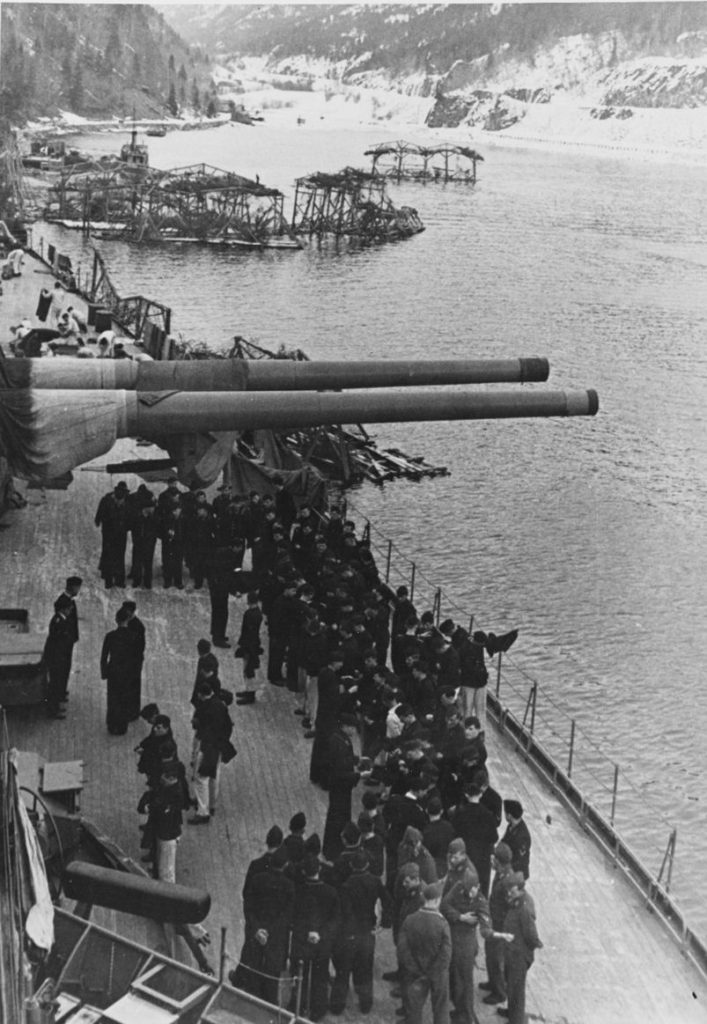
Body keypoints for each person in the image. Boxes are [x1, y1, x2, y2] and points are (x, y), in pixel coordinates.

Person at [329, 848, 392, 1015]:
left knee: (343, 971)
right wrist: (384, 923)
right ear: (368, 865)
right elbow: (387, 901)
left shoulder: (346, 886)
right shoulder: (375, 881)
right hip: (367, 933)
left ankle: (337, 1006)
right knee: (365, 971)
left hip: (349, 934)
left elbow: (344, 912)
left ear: (351, 865)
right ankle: (366, 1004)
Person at [234, 844, 295, 1004]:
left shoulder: (257, 880)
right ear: (285, 865)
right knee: (272, 977)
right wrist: (271, 932)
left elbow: (249, 907)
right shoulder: (289, 887)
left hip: (256, 933)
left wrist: (257, 930)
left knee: (253, 969)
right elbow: (287, 916)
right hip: (276, 939)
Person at [440, 863, 493, 1024]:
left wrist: (487, 929)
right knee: (456, 978)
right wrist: (461, 917)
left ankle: (467, 1016)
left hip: (466, 947)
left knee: (465, 981)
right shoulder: (458, 888)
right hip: (453, 942)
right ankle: (459, 1009)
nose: (470, 894)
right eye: (468, 890)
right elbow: (444, 906)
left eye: (473, 890)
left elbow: (486, 919)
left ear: (478, 887)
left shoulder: (481, 901)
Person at [290, 854, 340, 1022]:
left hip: (301, 942)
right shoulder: (331, 892)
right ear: (319, 869)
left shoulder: (298, 891)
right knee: (320, 977)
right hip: (322, 943)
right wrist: (321, 934)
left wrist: (306, 933)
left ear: (304, 871)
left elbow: (294, 918)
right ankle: (318, 1009)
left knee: (299, 975)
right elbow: (334, 919)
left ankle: (298, 1005)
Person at [397, 880, 452, 1024]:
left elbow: (402, 949)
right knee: (440, 1008)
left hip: (415, 973)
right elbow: (446, 954)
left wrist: (415, 969)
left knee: (414, 1007)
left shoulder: (410, 920)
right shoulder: (442, 924)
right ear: (436, 900)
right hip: (438, 974)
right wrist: (433, 972)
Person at [500, 872, 543, 1024]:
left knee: (517, 989)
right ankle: (512, 1012)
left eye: (511, 891)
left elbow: (531, 935)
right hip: (512, 952)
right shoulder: (519, 900)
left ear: (520, 889)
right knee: (511, 985)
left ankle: (516, 1020)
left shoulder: (524, 908)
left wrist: (532, 947)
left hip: (519, 955)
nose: (509, 894)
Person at [189, 680, 234, 823]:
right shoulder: (220, 705)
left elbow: (200, 727)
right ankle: (212, 804)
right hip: (218, 745)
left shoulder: (205, 707)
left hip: (208, 747)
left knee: (200, 778)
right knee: (214, 775)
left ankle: (203, 811)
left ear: (201, 695)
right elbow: (228, 726)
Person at [322, 713, 363, 861]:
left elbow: (344, 760)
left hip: (341, 787)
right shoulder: (338, 742)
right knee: (337, 817)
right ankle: (333, 850)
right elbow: (339, 771)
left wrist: (356, 760)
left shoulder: (340, 739)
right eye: (352, 728)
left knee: (338, 815)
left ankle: (334, 847)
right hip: (340, 787)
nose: (354, 732)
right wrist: (358, 776)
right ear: (345, 727)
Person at [480, 842, 514, 1007]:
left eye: (494, 858)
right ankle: (492, 982)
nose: (491, 860)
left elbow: (511, 907)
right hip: (494, 922)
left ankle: (499, 992)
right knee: (490, 955)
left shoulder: (507, 881)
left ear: (499, 861)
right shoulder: (501, 874)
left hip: (499, 926)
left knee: (495, 958)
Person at [100, 606, 134, 735]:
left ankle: (111, 724)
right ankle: (121, 726)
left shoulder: (110, 636)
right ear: (127, 620)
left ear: (116, 620)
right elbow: (134, 658)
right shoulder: (132, 636)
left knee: (113, 698)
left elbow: (104, 656)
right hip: (126, 672)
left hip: (113, 670)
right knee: (124, 698)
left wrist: (104, 673)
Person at [95, 482, 129, 588]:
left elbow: (130, 515)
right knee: (108, 555)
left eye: (123, 492)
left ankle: (119, 580)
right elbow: (100, 512)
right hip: (108, 532)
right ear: (116, 491)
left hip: (121, 533)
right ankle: (108, 580)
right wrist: (98, 520)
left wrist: (127, 526)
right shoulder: (106, 500)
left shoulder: (127, 501)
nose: (122, 494)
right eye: (120, 491)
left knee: (120, 556)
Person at [43, 601, 74, 719]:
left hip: (58, 657)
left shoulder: (59, 620)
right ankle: (53, 711)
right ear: (63, 609)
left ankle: (55, 707)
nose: (70, 611)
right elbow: (58, 642)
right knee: (55, 685)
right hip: (57, 658)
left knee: (56, 683)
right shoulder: (59, 622)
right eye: (69, 609)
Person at [53, 576, 81, 694]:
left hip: (67, 641)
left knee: (65, 667)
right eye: (78, 587)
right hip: (64, 643)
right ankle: (59, 691)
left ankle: (61, 690)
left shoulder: (68, 600)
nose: (78, 590)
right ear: (73, 587)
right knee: (62, 668)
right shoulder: (64, 602)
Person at [235, 591, 263, 705]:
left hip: (249, 645)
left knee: (248, 670)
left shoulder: (249, 614)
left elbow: (246, 631)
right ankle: (248, 691)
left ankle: (250, 694)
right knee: (248, 669)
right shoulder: (258, 614)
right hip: (253, 644)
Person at [122, 600, 146, 722]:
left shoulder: (137, 626)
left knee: (133, 686)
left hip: (134, 662)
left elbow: (139, 647)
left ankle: (133, 712)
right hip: (130, 660)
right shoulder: (129, 623)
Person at [502, 800, 532, 879]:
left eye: (505, 813)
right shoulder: (511, 826)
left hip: (515, 874)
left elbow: (520, 860)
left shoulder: (522, 836)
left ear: (509, 815)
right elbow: (504, 841)